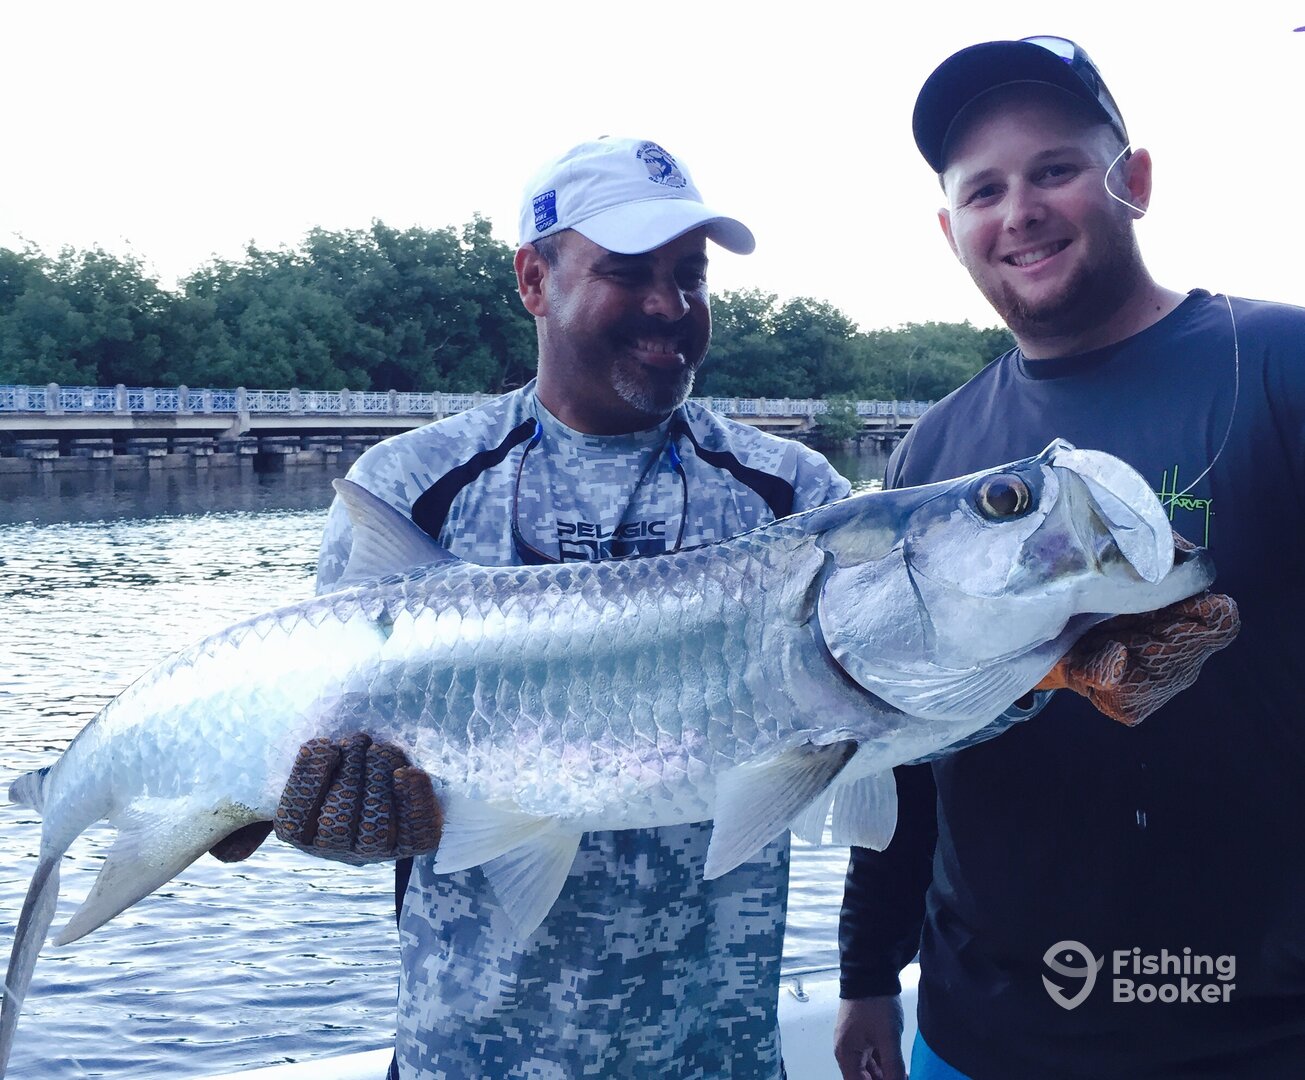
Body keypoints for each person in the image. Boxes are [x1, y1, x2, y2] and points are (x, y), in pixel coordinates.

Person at [297, 136, 849, 1079]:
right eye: (628, 272)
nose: (669, 307)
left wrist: (1063, 659)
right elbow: (330, 750)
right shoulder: (408, 490)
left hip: (712, 1054)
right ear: (532, 280)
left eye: (690, 275)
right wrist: (334, 814)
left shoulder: (794, 500)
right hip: (468, 1053)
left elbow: (909, 701)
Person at [835, 36, 1305, 1080]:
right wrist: (868, 971)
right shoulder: (936, 457)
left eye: (1054, 170)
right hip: (980, 1033)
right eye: (983, 189)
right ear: (949, 227)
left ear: (1132, 182)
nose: (1020, 211)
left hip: (1258, 1032)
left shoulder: (1281, 363)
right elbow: (897, 744)